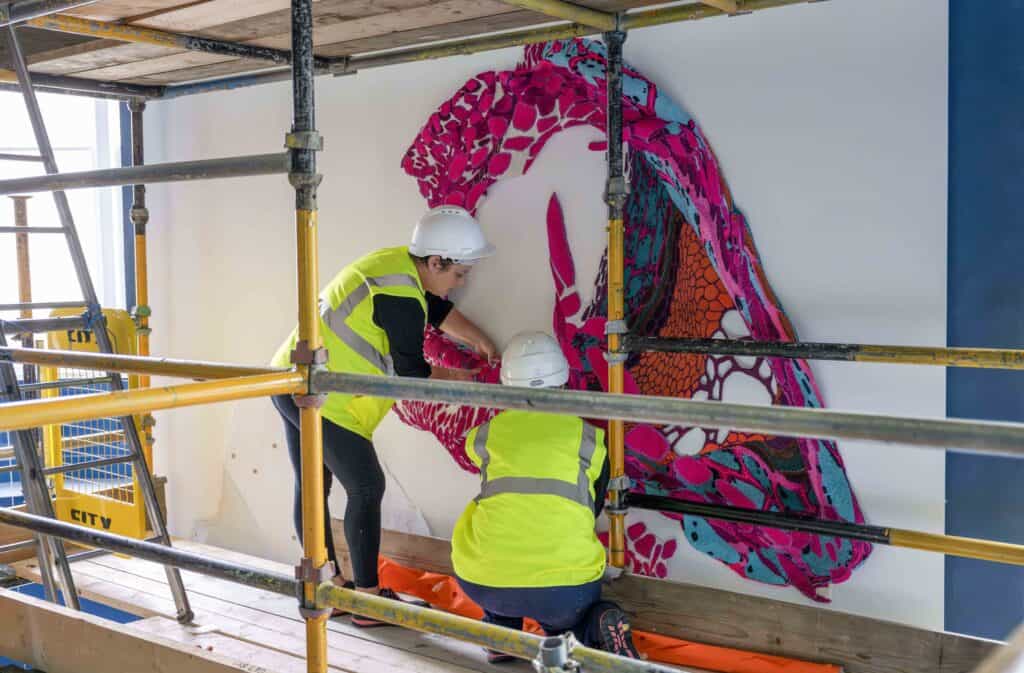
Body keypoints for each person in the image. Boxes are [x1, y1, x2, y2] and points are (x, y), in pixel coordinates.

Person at [271, 206, 498, 627]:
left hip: (290, 379)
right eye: (458, 274)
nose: (460, 283)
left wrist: (478, 337)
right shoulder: (401, 293)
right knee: (367, 486)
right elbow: (411, 373)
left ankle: (329, 587)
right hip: (325, 397)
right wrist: (462, 375)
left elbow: (433, 307)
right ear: (435, 262)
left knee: (312, 488)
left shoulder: (396, 266)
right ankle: (369, 600)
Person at [450, 332, 640, 661]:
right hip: (564, 592)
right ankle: (593, 625)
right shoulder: (590, 440)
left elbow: (475, 459)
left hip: (483, 580)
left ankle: (500, 633)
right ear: (565, 383)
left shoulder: (486, 435)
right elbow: (591, 508)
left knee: (502, 552)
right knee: (566, 617)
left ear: (507, 386)